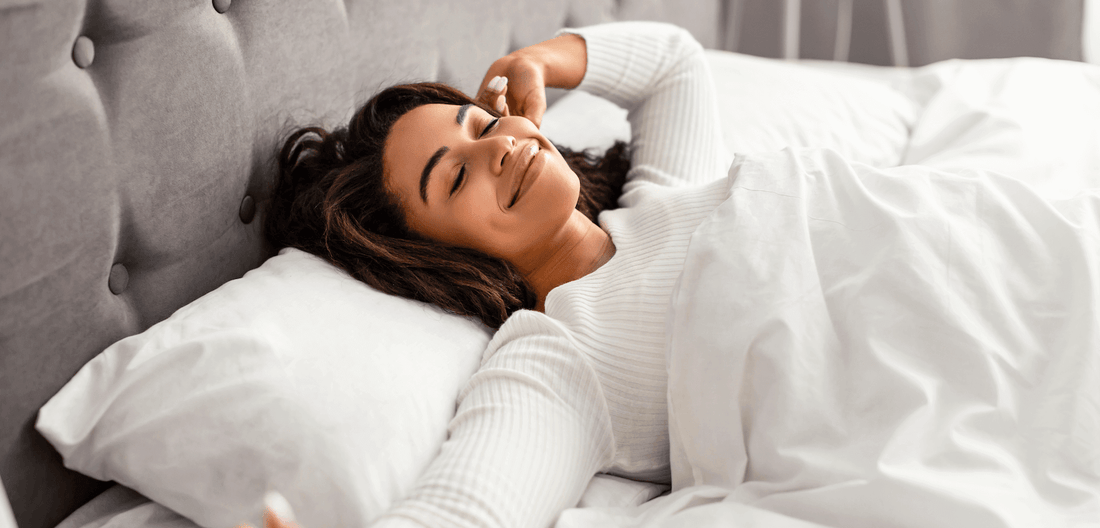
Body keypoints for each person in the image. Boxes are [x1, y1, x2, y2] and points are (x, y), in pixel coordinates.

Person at [265, 20, 726, 527]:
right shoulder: (561, 362)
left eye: (484, 125)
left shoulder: (663, 198)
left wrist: (534, 61)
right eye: (458, 178)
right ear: (437, 256)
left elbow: (675, 65)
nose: (499, 146)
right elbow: (466, 511)